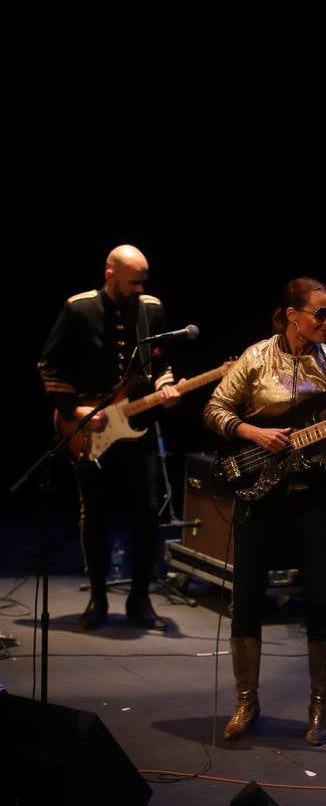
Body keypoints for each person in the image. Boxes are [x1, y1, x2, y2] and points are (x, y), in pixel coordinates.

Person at [203, 277, 326, 745]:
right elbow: (214, 410)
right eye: (321, 313)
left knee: (319, 601)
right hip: (259, 491)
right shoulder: (255, 357)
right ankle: (246, 700)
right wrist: (254, 434)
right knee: (247, 597)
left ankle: (319, 707)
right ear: (293, 315)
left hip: (316, 492)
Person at [38, 244, 182, 630]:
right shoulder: (78, 308)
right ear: (109, 275)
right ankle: (98, 600)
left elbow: (161, 364)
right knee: (95, 514)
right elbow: (49, 365)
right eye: (132, 281)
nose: (139, 288)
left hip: (138, 426)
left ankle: (139, 600)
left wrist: (166, 387)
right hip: (92, 428)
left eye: (143, 281)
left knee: (147, 513)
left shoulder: (151, 308)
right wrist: (76, 412)